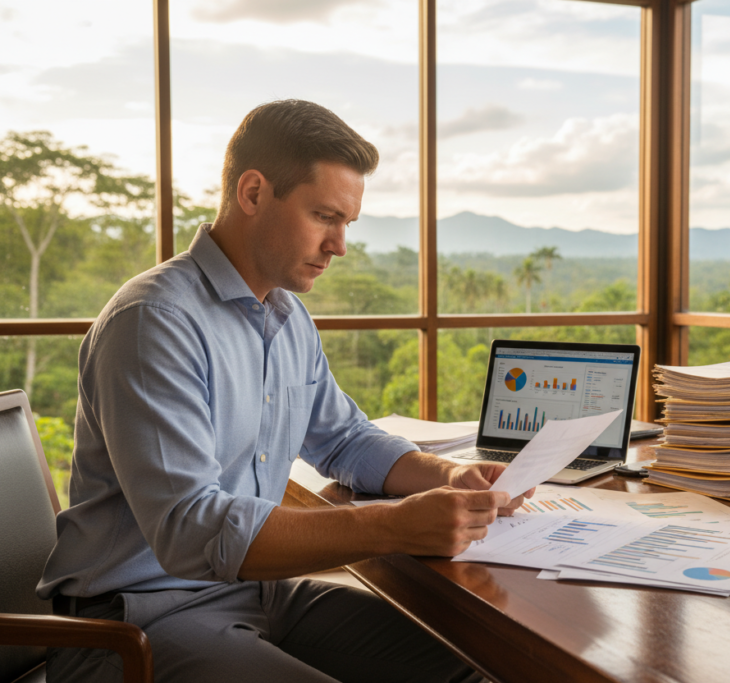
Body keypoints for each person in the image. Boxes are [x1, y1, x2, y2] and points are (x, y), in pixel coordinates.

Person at [38, 99, 530, 683]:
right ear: (252, 193)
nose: (340, 244)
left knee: (476, 665)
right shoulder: (153, 321)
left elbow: (345, 439)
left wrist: (448, 477)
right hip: (135, 622)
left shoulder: (288, 317)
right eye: (325, 216)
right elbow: (193, 530)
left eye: (348, 222)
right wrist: (395, 526)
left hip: (255, 594)